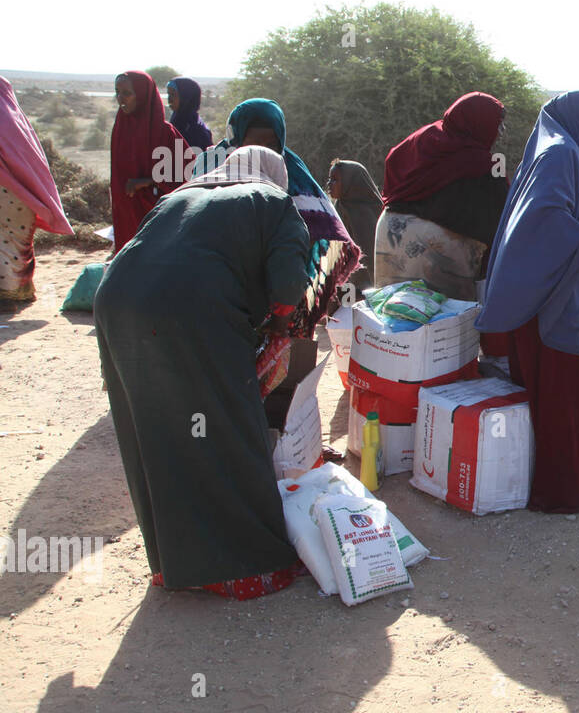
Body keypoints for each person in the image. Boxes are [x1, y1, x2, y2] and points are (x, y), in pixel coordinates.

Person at [95, 145, 312, 599]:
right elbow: (288, 285)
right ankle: (245, 566)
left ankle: (173, 563)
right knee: (228, 426)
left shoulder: (177, 198)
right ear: (275, 175)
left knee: (158, 430)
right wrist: (277, 326)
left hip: (116, 302)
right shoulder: (272, 200)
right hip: (192, 308)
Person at [476, 92, 579, 514]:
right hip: (553, 298)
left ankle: (545, 483)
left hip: (545, 288)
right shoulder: (561, 154)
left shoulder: (554, 148)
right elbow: (544, 217)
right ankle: (569, 491)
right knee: (565, 395)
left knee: (552, 393)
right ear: (576, 120)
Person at [190, 98, 359, 333]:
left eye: (271, 144)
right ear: (236, 139)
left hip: (273, 272)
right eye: (254, 143)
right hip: (220, 271)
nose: (263, 151)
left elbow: (316, 229)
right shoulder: (211, 164)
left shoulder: (288, 168)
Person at [377, 92, 509, 299]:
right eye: (498, 124)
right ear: (480, 123)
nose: (501, 132)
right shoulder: (482, 164)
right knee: (442, 314)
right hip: (438, 249)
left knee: (394, 307)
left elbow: (392, 161)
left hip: (391, 231)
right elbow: (497, 218)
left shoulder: (423, 138)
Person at [0, 77, 73, 308]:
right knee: (14, 245)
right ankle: (20, 291)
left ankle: (8, 296)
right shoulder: (16, 122)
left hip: (8, 194)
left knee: (5, 244)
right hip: (24, 196)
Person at [109, 71, 186, 252]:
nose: (120, 98)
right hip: (127, 211)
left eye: (127, 93)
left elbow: (185, 174)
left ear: (143, 95)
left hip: (157, 212)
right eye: (117, 92)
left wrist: (148, 181)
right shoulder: (120, 128)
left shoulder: (164, 132)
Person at [326, 159, 382, 291]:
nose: (329, 184)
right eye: (329, 179)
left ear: (351, 183)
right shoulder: (338, 208)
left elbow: (369, 261)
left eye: (335, 180)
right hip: (344, 287)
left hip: (365, 289)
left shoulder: (365, 215)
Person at [165, 77, 213, 152]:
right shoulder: (176, 120)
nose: (169, 99)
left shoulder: (197, 131)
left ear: (186, 97)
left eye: (173, 94)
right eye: (168, 94)